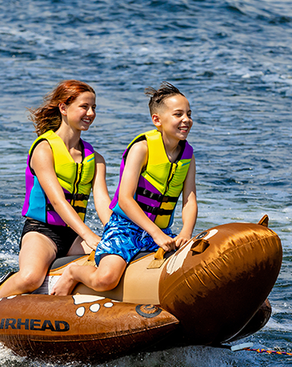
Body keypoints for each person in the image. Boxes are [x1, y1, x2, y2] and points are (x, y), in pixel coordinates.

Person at [52, 82, 197, 296]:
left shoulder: (188, 156)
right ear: (157, 120)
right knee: (106, 279)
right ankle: (74, 272)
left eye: (189, 114)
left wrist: (186, 232)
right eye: (178, 114)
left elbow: (190, 200)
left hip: (161, 232)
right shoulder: (142, 148)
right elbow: (124, 199)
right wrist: (155, 233)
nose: (186, 120)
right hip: (125, 229)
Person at [0, 80, 110, 300]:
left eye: (94, 108)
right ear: (63, 108)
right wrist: (88, 235)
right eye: (84, 107)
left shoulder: (96, 159)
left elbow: (103, 202)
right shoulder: (44, 149)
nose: (91, 113)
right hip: (42, 232)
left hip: (74, 235)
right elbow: (58, 201)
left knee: (112, 260)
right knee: (30, 278)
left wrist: (117, 233)